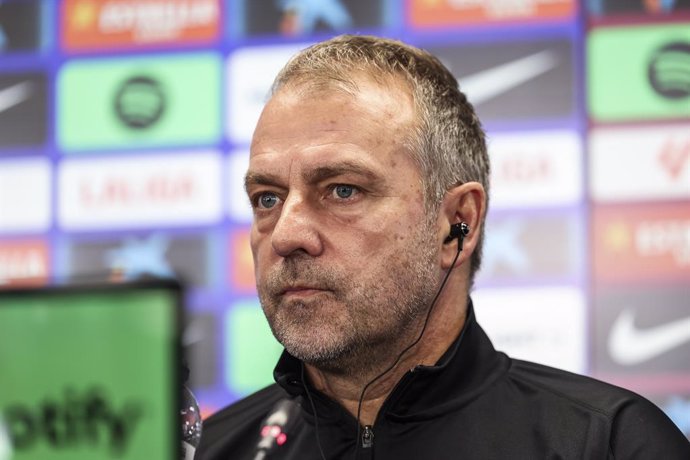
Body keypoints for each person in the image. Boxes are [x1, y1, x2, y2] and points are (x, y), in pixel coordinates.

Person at [195, 35, 690, 459]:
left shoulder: (608, 444)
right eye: (267, 198)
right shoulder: (211, 451)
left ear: (459, 222)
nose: (286, 234)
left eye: (342, 190)